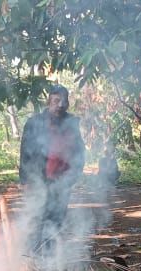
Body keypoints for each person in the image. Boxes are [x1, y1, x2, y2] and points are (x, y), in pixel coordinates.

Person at [19, 85, 85, 253]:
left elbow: (80, 151)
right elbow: (25, 152)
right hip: (39, 179)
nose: (60, 105)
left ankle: (51, 255)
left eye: (64, 101)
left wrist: (74, 176)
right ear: (49, 101)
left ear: (68, 103)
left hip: (63, 181)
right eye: (56, 101)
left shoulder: (72, 124)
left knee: (57, 217)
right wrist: (25, 180)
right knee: (38, 215)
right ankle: (32, 255)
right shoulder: (35, 123)